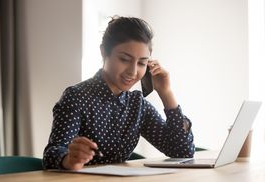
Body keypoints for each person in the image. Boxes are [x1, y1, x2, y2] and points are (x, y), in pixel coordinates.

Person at [43, 16, 195, 170]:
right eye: (124, 59)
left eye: (142, 63)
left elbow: (182, 152)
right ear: (103, 52)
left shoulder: (137, 104)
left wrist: (166, 92)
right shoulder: (76, 97)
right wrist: (70, 159)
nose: (133, 72)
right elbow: (52, 154)